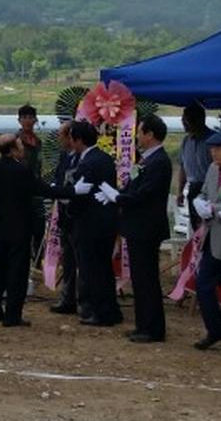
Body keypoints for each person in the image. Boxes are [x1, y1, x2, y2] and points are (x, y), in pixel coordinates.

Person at [97, 114, 172, 343]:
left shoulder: (159, 162)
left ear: (150, 135)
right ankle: (142, 325)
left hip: (147, 227)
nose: (137, 136)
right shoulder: (146, 160)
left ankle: (153, 328)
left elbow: (145, 194)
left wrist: (118, 198)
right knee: (139, 278)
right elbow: (133, 186)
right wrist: (117, 194)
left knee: (147, 278)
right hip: (136, 226)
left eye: (140, 132)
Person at [0, 133, 53, 327]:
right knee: (17, 272)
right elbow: (41, 189)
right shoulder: (22, 170)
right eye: (19, 146)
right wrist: (72, 191)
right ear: (11, 151)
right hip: (19, 227)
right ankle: (12, 315)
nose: (23, 149)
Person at [67, 119, 122, 328]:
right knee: (105, 268)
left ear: (79, 140)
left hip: (90, 223)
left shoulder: (87, 163)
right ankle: (111, 309)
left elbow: (81, 196)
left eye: (72, 138)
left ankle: (100, 312)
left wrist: (70, 210)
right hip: (107, 221)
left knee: (92, 269)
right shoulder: (105, 158)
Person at [192, 128, 221, 355]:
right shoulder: (212, 169)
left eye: (218, 148)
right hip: (212, 236)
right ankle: (216, 330)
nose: (213, 153)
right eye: (212, 149)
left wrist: (215, 209)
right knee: (203, 285)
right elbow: (204, 193)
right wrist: (199, 202)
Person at [49, 119, 79, 314]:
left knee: (79, 259)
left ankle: (80, 298)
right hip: (64, 214)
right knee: (67, 259)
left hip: (76, 214)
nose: (59, 139)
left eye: (62, 135)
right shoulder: (64, 156)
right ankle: (67, 298)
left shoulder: (82, 157)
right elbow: (58, 176)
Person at [176, 102, 213, 233]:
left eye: (187, 120)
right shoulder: (186, 141)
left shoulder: (213, 140)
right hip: (193, 188)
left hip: (210, 189)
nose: (184, 123)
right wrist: (180, 191)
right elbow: (183, 167)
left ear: (198, 120)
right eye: (183, 120)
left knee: (209, 228)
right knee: (196, 228)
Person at [16, 103, 46, 258]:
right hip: (21, 193)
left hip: (37, 191)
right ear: (19, 120)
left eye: (30, 117)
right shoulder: (15, 141)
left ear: (35, 120)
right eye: (24, 117)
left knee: (39, 230)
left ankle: (38, 262)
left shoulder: (38, 142)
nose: (28, 120)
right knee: (22, 232)